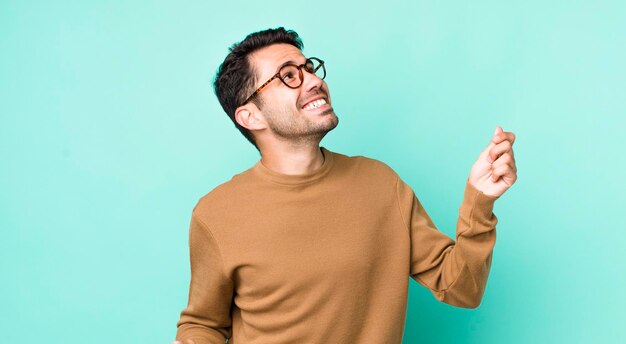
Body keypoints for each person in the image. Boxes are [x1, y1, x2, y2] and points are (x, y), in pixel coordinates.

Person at [173, 27, 517, 344]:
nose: (312, 81)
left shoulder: (381, 184)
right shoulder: (216, 213)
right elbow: (203, 323)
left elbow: (462, 288)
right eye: (288, 76)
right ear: (251, 116)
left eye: (309, 68)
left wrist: (481, 200)